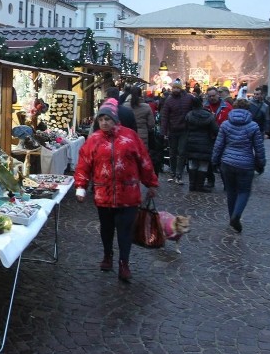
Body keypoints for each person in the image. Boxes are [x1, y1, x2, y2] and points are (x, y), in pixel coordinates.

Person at [75, 98, 159, 282]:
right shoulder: (94, 140)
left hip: (128, 194)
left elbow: (144, 161)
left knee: (125, 230)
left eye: (108, 119)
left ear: (115, 119)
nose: (104, 122)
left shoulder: (130, 137)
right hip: (103, 193)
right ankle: (107, 255)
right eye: (101, 119)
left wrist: (151, 183)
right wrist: (81, 185)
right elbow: (83, 164)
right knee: (106, 228)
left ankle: (124, 263)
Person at [211, 98, 266, 233]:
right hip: (246, 164)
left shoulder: (225, 124)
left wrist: (214, 160)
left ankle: (232, 218)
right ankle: (236, 216)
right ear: (248, 110)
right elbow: (258, 148)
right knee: (244, 191)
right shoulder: (253, 126)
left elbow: (219, 145)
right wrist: (261, 163)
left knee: (231, 191)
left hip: (227, 162)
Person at [160, 78, 194, 185]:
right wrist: (163, 132)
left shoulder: (188, 98)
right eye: (174, 87)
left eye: (177, 88)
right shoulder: (169, 100)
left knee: (182, 152)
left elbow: (193, 110)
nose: (175, 89)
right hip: (173, 130)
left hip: (184, 129)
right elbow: (164, 117)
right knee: (172, 152)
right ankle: (173, 172)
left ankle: (178, 173)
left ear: (180, 88)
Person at [183, 95, 218, 192]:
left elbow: (185, 128)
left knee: (192, 164)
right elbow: (215, 130)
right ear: (202, 103)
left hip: (191, 142)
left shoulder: (189, 115)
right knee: (203, 165)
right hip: (205, 143)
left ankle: (192, 185)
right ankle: (199, 186)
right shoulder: (209, 115)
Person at [203, 86, 233, 188]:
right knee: (208, 160)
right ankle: (210, 180)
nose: (212, 98)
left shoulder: (227, 107)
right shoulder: (204, 107)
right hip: (208, 136)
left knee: (223, 161)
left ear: (218, 95)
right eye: (210, 96)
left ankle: (226, 183)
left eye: (214, 95)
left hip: (223, 136)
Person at [125, 84, 155, 148]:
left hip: (128, 136)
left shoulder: (125, 106)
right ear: (141, 94)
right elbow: (151, 124)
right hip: (142, 136)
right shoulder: (146, 107)